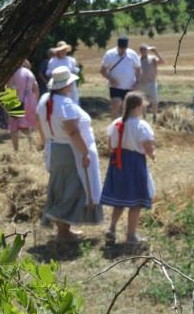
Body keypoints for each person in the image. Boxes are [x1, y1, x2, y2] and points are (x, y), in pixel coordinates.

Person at [36, 65, 103, 240]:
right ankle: (55, 216)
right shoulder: (64, 104)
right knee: (73, 190)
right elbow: (73, 131)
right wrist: (85, 153)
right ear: (67, 85)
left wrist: (45, 142)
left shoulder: (45, 100)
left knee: (61, 189)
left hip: (56, 148)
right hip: (70, 151)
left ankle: (63, 231)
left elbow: (38, 122)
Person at [101, 93, 156, 245]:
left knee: (119, 199)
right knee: (136, 201)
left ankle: (111, 229)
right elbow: (147, 147)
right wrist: (153, 155)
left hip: (117, 162)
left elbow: (110, 145)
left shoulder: (116, 123)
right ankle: (131, 235)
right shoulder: (141, 125)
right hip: (134, 163)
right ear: (137, 107)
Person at [101, 36, 141, 120]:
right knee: (115, 106)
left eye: (124, 48)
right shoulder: (109, 54)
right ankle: (114, 126)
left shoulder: (132, 54)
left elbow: (138, 69)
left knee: (126, 108)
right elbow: (103, 70)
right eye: (121, 48)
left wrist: (137, 82)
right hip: (115, 86)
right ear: (118, 46)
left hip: (130, 86)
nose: (122, 50)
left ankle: (124, 127)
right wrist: (111, 79)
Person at [7, 60, 39, 151]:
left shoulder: (14, 73)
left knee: (14, 128)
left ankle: (16, 150)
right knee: (27, 126)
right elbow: (36, 89)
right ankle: (31, 147)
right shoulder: (30, 73)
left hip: (17, 101)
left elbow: (9, 87)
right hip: (30, 101)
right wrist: (34, 102)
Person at [137, 44, 165, 122]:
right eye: (142, 50)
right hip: (141, 83)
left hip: (151, 83)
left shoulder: (152, 58)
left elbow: (162, 62)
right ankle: (144, 117)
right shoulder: (137, 59)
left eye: (145, 50)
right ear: (140, 51)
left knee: (154, 101)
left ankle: (154, 116)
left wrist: (156, 52)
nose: (143, 51)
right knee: (142, 101)